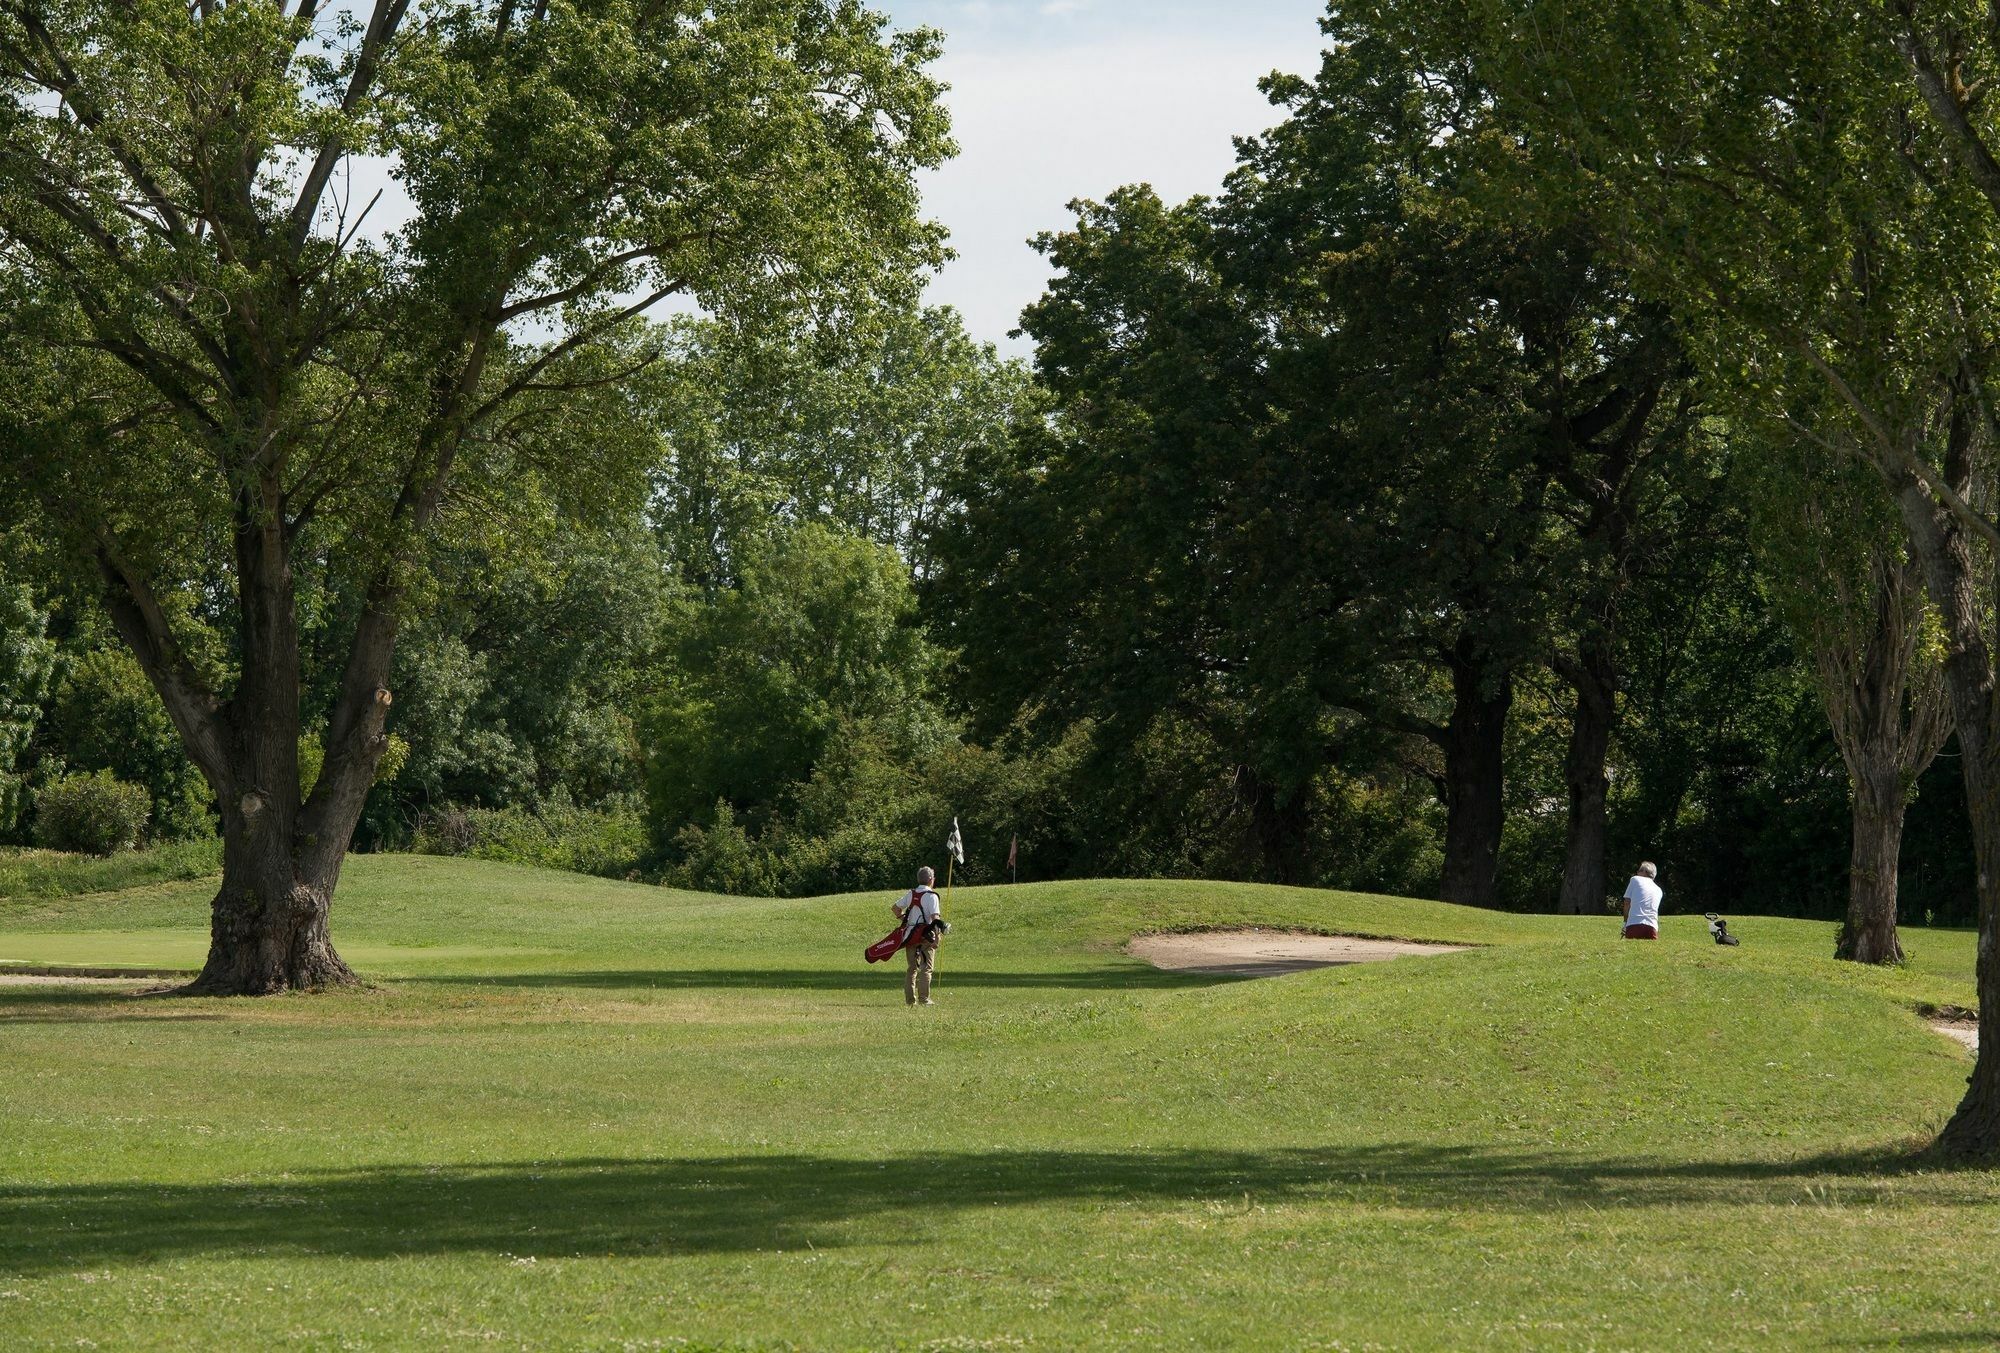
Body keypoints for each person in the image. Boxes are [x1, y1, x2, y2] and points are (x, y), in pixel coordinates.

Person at [893, 866, 944, 1005]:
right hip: (926, 936)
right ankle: (924, 999)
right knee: (926, 968)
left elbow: (895, 908)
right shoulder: (932, 896)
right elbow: (935, 918)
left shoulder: (911, 894)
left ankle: (910, 1000)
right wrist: (938, 937)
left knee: (912, 968)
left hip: (910, 935)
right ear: (930, 880)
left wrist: (903, 919)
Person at [1622, 861, 1663, 940]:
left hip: (1634, 925)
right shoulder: (1659, 890)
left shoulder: (1635, 879)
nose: (1637, 872)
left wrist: (1625, 923)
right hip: (1652, 928)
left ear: (1645, 872)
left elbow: (1627, 903)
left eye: (1639, 870)